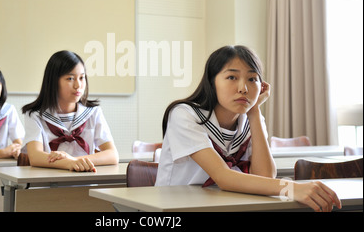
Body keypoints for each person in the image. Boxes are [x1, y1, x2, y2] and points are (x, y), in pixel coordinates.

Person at [155, 45, 341, 212]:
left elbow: (265, 175)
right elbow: (223, 177)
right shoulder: (185, 114)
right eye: (231, 77)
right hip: (176, 209)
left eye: (252, 79)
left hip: (226, 205)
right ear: (212, 82)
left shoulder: (251, 119)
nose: (243, 88)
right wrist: (291, 188)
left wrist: (254, 112)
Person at [22, 50, 119, 172]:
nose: (78, 85)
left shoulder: (93, 112)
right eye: (70, 78)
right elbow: (35, 157)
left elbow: (112, 155)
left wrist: (74, 160)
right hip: (48, 184)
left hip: (85, 182)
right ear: (53, 81)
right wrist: (68, 163)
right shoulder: (35, 115)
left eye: (82, 78)